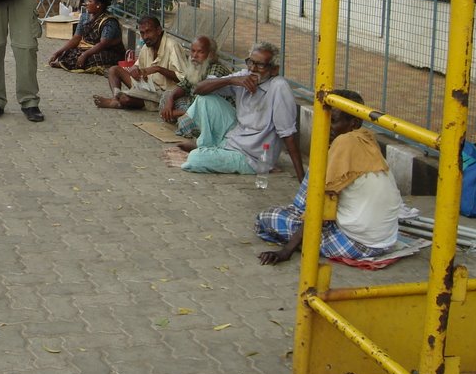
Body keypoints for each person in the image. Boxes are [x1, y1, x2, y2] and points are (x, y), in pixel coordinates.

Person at [256, 90, 402, 265]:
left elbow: (321, 210)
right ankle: (300, 218)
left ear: (353, 123)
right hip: (386, 239)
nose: (327, 127)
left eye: (333, 121)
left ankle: (302, 234)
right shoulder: (366, 137)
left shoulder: (343, 144)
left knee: (266, 218)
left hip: (359, 244)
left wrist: (286, 251)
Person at [180, 41, 304, 181]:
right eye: (250, 62)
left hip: (252, 157)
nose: (253, 69)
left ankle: (207, 149)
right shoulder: (244, 75)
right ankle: (208, 146)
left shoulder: (279, 87)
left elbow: (289, 135)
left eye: (260, 65)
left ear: (274, 70)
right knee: (205, 99)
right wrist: (232, 80)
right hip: (235, 137)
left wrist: (302, 178)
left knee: (194, 159)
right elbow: (199, 89)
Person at [92, 16, 188, 110]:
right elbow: (136, 66)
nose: (145, 36)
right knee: (113, 70)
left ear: (158, 30)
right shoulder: (147, 46)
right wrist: (134, 70)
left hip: (162, 93)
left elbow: (184, 80)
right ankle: (115, 99)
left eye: (148, 31)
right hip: (146, 87)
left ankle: (120, 101)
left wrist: (158, 69)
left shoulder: (172, 47)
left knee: (126, 99)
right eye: (142, 33)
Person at [159, 35, 233, 124]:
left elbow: (205, 105)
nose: (194, 56)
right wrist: (170, 100)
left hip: (214, 113)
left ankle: (179, 119)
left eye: (200, 52)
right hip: (193, 105)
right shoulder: (196, 65)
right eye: (193, 51)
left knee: (185, 122)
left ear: (210, 54)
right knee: (166, 97)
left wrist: (178, 113)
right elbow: (184, 85)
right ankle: (178, 117)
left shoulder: (216, 70)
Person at [49, 0, 125, 73]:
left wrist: (85, 55)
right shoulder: (85, 17)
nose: (86, 4)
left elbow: (103, 44)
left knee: (91, 58)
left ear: (98, 5)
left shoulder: (109, 21)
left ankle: (69, 64)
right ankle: (68, 63)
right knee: (67, 53)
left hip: (107, 50)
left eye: (89, 1)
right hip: (89, 48)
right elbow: (76, 38)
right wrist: (58, 53)